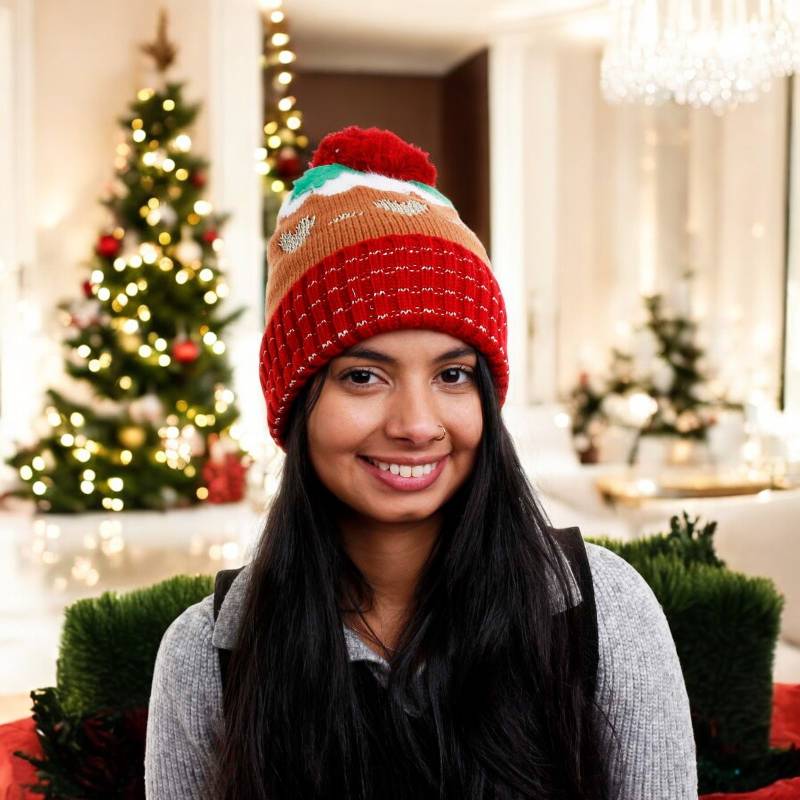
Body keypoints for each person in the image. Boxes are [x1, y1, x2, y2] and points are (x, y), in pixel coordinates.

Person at [144, 126, 697, 799]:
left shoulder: (603, 612)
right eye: (363, 377)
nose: (416, 425)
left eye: (454, 374)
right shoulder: (205, 655)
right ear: (296, 405)